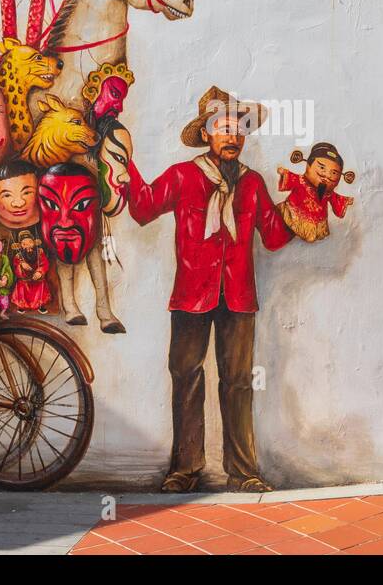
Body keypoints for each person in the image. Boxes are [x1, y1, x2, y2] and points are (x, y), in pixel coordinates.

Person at [124, 86, 293, 494]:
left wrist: (308, 203)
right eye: (223, 128)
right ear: (207, 134)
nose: (232, 137)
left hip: (238, 296)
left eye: (239, 130)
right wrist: (123, 164)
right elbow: (144, 208)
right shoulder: (182, 176)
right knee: (185, 377)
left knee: (238, 381)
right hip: (191, 295)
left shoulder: (252, 183)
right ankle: (185, 468)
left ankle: (244, 471)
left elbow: (273, 236)